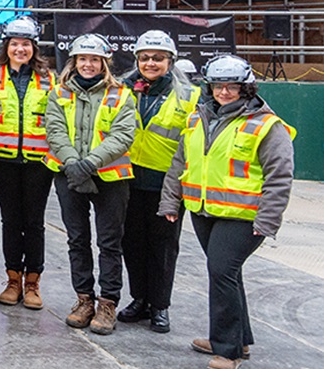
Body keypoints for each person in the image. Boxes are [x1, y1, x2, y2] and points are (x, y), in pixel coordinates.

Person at [160, 55, 295, 369]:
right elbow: (180, 163)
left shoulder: (266, 125)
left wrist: (269, 218)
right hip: (205, 211)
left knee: (221, 272)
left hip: (245, 216)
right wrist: (170, 201)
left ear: (245, 87)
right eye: (218, 86)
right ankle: (238, 341)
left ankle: (227, 351)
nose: (224, 92)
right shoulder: (198, 118)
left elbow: (280, 175)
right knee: (228, 275)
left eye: (232, 86)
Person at [44, 33, 137, 335]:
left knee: (110, 243)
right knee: (77, 240)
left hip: (110, 179)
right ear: (74, 62)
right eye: (82, 59)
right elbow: (54, 131)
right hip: (69, 174)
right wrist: (73, 163)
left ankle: (107, 303)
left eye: (94, 59)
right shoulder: (59, 94)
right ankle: (84, 299)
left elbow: (123, 136)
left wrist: (89, 164)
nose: (87, 64)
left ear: (104, 63)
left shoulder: (122, 95)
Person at [118, 30, 200, 334]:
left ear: (170, 61)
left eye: (158, 58)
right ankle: (139, 298)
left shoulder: (189, 96)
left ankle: (160, 306)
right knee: (131, 242)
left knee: (163, 247)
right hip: (126, 179)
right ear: (137, 59)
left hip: (167, 184)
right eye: (145, 58)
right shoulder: (123, 89)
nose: (151, 63)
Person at [0, 16, 56, 310]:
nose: (20, 49)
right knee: (10, 221)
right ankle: (13, 280)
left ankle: (33, 283)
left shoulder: (50, 79)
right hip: (2, 160)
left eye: (25, 44)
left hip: (39, 161)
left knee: (34, 222)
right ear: (6, 46)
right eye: (14, 44)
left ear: (34, 47)